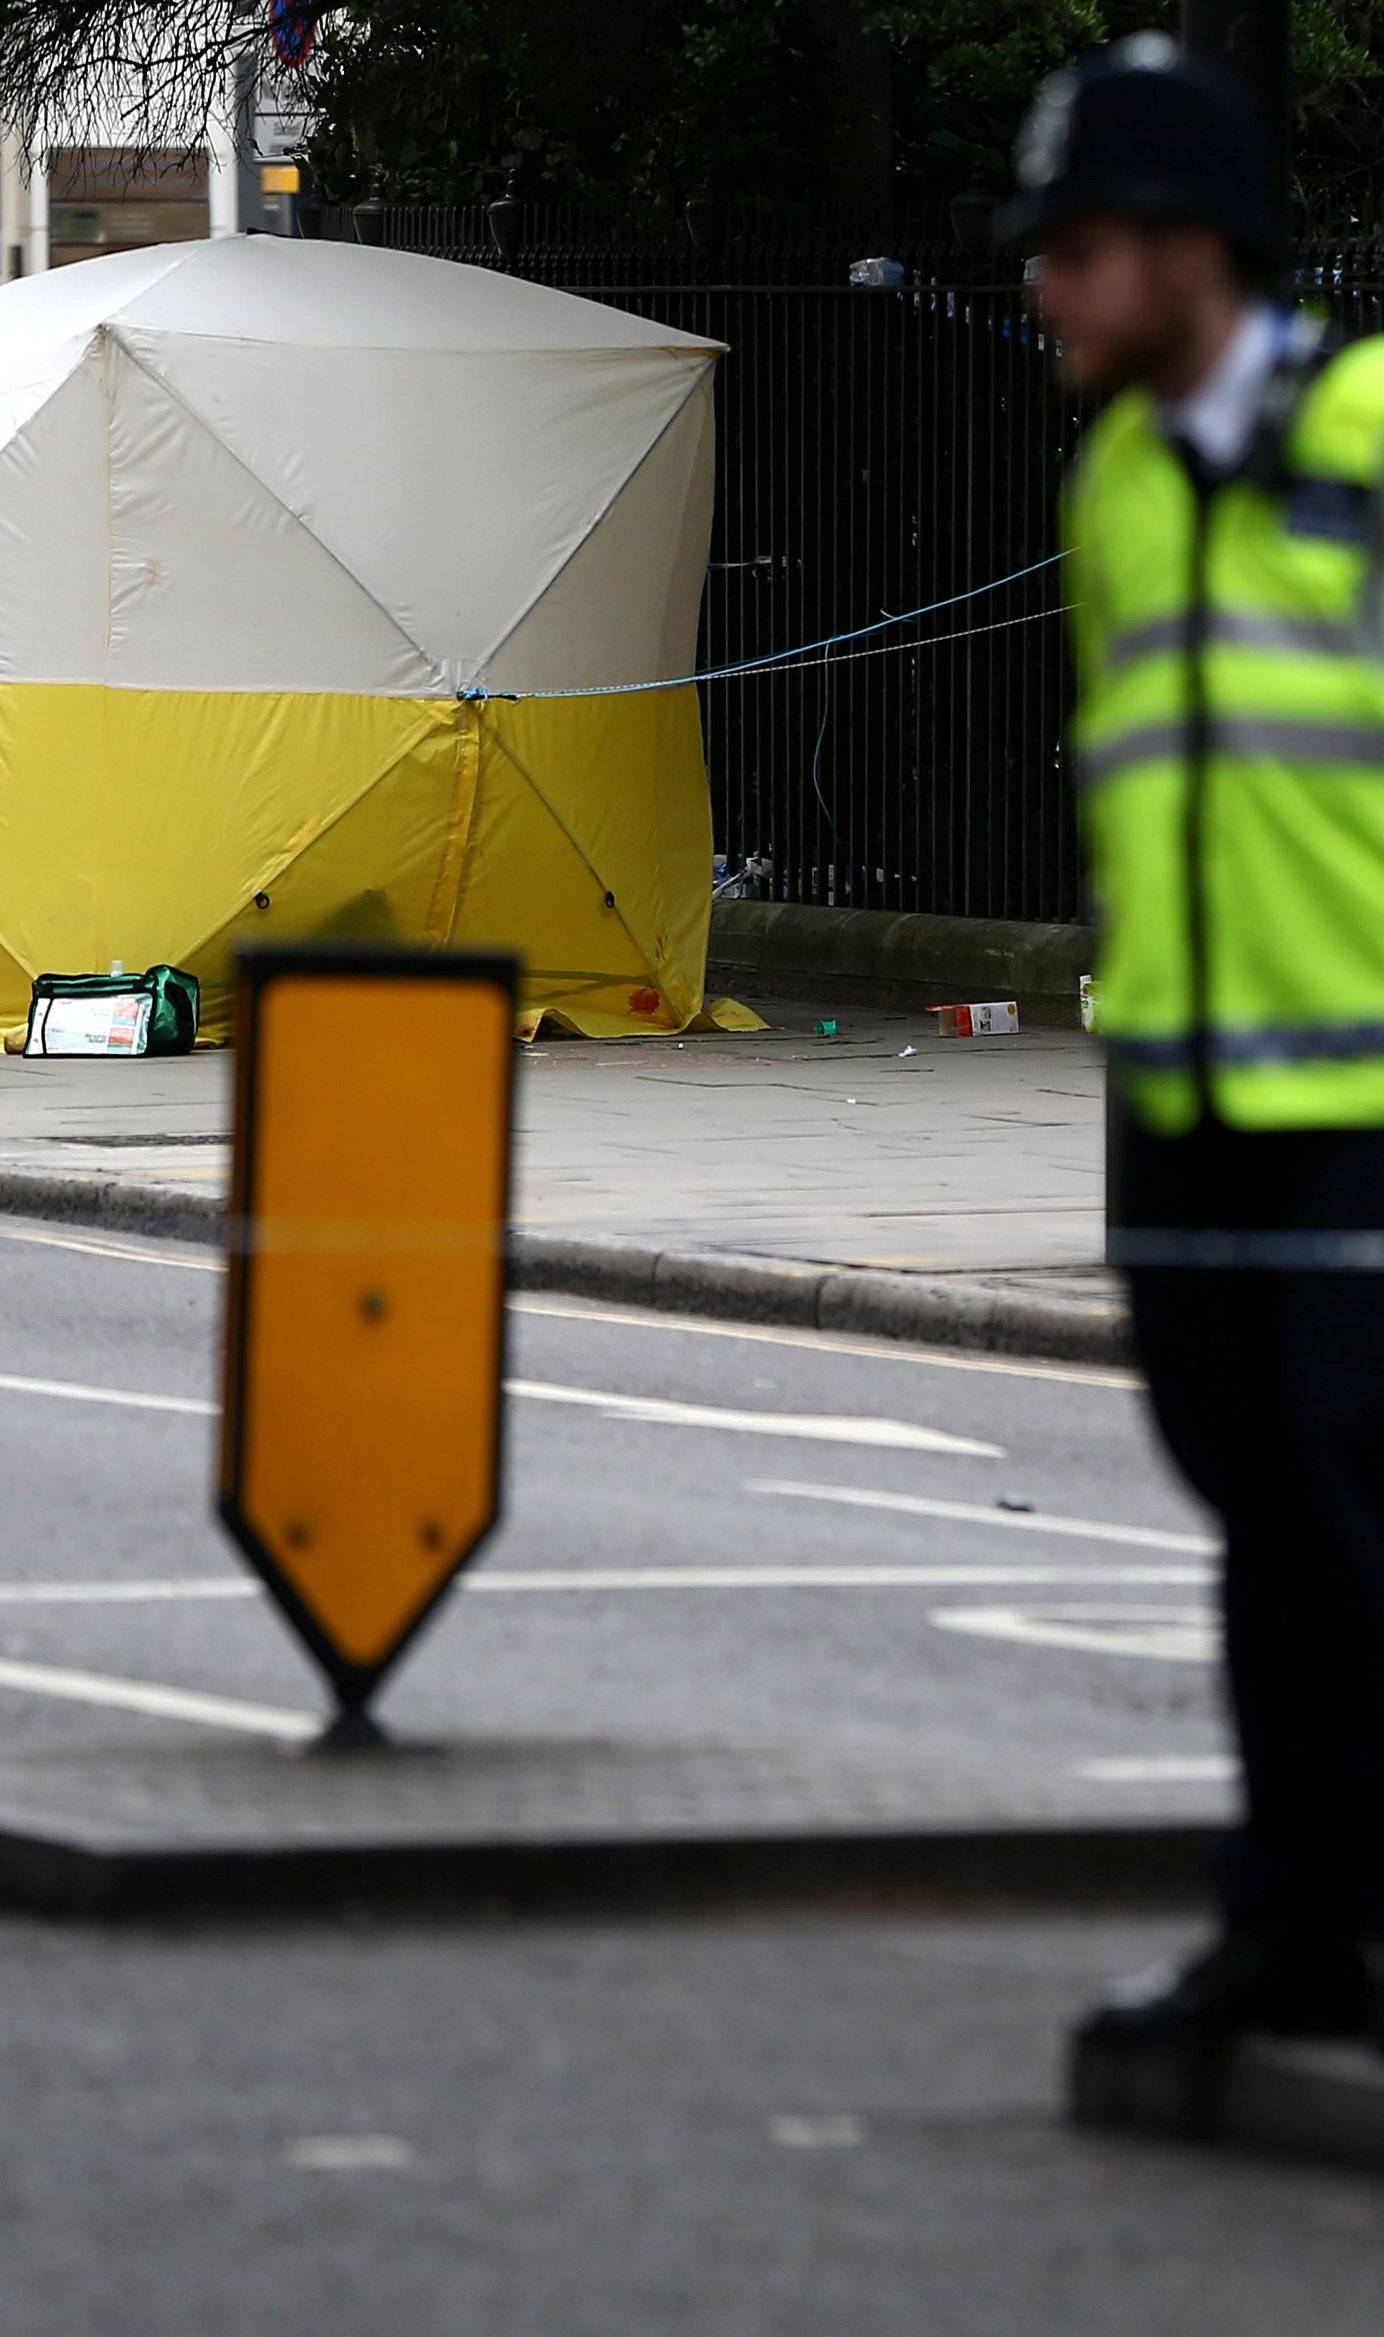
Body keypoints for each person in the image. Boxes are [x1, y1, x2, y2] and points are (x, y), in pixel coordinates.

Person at [1006, 33, 1384, 2050]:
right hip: (1182, 1092)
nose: (1047, 288)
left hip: (1366, 1094)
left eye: (1075, 247)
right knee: (1257, 1502)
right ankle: (1298, 1928)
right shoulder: (1121, 483)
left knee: (1347, 1494)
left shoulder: (1377, 427)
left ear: (1186, 250)